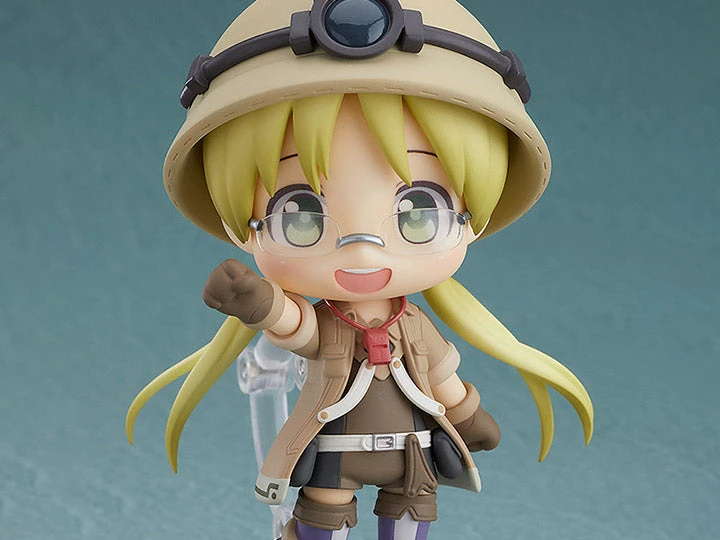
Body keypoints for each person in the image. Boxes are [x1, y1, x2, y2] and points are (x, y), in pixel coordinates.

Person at [126, 1, 594, 539]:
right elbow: (296, 326)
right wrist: (258, 302)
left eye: (418, 211)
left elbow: (440, 377)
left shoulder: (413, 325)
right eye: (301, 215)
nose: (364, 251)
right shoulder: (333, 326)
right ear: (245, 227)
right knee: (324, 517)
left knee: (411, 516)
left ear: (471, 220)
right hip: (335, 453)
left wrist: (468, 417)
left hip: (413, 455)